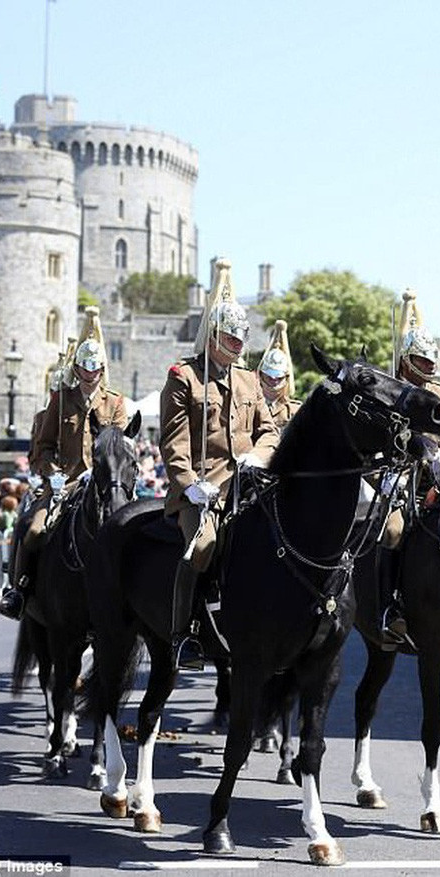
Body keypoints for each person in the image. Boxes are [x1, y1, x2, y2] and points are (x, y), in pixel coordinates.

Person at [160, 258, 279, 670]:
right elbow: (173, 440)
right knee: (204, 545)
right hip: (201, 490)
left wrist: (256, 456)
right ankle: (184, 634)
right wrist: (189, 483)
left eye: (241, 338)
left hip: (247, 485)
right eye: (230, 338)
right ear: (212, 336)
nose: (237, 345)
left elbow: (269, 432)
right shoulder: (184, 377)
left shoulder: (249, 380)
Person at [0, 308, 128, 620]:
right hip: (64, 482)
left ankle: (132, 596)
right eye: (85, 369)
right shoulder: (62, 400)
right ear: (77, 369)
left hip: (103, 483)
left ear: (102, 370)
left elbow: (120, 447)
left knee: (131, 531)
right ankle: (19, 589)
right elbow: (41, 448)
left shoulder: (115, 403)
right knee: (32, 527)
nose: (90, 375)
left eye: (95, 369)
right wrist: (51, 473)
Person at [378, 288, 440, 647]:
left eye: (432, 361)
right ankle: (388, 607)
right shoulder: (389, 390)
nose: (429, 368)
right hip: (402, 474)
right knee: (394, 531)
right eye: (422, 362)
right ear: (407, 359)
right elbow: (383, 437)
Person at [257, 319, 302, 429]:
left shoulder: (294, 411)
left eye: (278, 378)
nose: (274, 381)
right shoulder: (249, 406)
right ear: (261, 376)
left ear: (286, 378)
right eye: (269, 377)